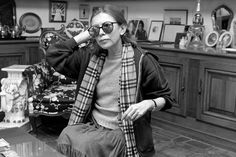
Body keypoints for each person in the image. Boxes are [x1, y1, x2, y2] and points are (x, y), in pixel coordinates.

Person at [46, 4, 174, 157]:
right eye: (95, 29)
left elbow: (166, 99)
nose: (101, 33)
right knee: (67, 135)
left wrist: (149, 103)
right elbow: (54, 55)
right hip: (94, 125)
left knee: (86, 146)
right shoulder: (89, 57)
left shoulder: (142, 60)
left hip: (125, 131)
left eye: (107, 26)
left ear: (122, 28)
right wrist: (86, 35)